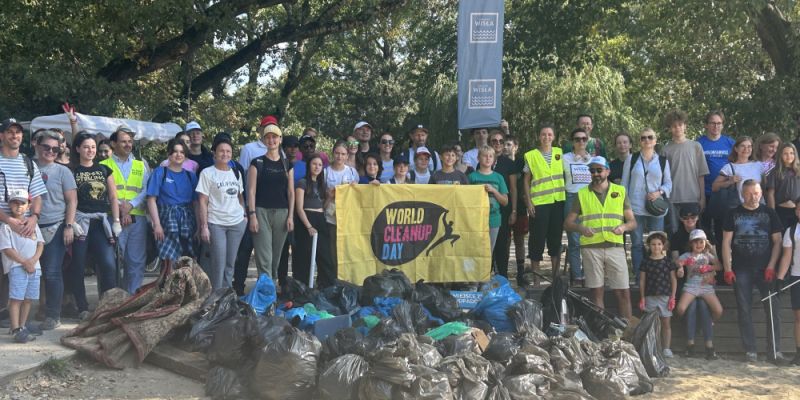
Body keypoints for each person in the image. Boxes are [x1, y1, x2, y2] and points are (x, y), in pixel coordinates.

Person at [564, 156, 636, 320]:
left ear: (607, 171)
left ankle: (628, 334)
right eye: (592, 171)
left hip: (615, 247)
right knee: (596, 294)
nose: (595, 173)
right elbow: (568, 223)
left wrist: (623, 227)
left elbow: (633, 222)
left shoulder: (620, 191)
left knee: (623, 292)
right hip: (591, 248)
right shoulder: (582, 194)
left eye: (599, 170)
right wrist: (580, 228)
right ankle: (602, 333)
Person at [721, 180, 785, 363]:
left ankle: (774, 351)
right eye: (748, 193)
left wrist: (772, 265)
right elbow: (726, 243)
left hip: (766, 268)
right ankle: (750, 350)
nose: (752, 197)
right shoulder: (733, 214)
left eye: (756, 193)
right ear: (742, 194)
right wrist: (727, 269)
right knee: (744, 309)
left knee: (773, 309)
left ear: (761, 194)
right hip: (741, 269)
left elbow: (778, 242)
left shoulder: (769, 213)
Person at [0, 118, 48, 328]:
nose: (14, 136)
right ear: (1, 136)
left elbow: (37, 195)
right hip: (5, 223)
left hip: (25, 225)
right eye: (9, 132)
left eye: (18, 132)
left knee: (21, 270)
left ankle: (17, 322)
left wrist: (33, 218)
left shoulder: (28, 163)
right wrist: (8, 220)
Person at [70, 133, 121, 320]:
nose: (90, 150)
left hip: (101, 223)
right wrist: (72, 222)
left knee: (108, 264)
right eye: (85, 147)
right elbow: (70, 199)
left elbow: (114, 197)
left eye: (93, 147)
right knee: (78, 265)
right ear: (78, 149)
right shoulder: (72, 171)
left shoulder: (104, 169)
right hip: (80, 223)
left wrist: (116, 221)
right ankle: (82, 307)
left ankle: (107, 307)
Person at [34, 130, 77, 330]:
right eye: (46, 147)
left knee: (52, 273)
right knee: (29, 272)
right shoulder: (28, 166)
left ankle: (53, 315)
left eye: (55, 149)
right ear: (36, 145)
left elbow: (72, 201)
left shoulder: (63, 171)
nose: (50, 151)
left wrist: (68, 226)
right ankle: (21, 314)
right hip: (29, 228)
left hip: (56, 226)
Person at [100, 125, 151, 294]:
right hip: (112, 219)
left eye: (130, 141)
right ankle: (112, 299)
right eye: (123, 141)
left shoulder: (141, 165)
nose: (128, 144)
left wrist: (130, 206)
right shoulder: (103, 165)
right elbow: (99, 193)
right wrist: (121, 210)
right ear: (113, 144)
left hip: (137, 218)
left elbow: (146, 189)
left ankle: (132, 298)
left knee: (136, 261)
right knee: (112, 262)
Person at [622, 127, 672, 283]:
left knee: (657, 244)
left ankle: (656, 275)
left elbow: (669, 183)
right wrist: (624, 207)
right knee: (637, 244)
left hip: (656, 209)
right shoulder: (632, 159)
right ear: (639, 141)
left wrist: (659, 192)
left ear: (655, 141)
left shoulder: (663, 161)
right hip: (635, 208)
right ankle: (639, 277)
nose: (647, 140)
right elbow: (624, 183)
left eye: (650, 137)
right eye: (643, 138)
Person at [196, 136, 246, 290]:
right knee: (218, 263)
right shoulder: (207, 173)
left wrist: (243, 216)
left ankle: (226, 296)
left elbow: (240, 196)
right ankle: (216, 297)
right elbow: (202, 201)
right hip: (216, 223)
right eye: (221, 151)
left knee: (231, 263)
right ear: (214, 153)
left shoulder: (236, 172)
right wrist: (204, 227)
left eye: (228, 151)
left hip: (236, 223)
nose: (225, 154)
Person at [246, 123, 293, 281]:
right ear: (264, 140)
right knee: (264, 257)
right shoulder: (257, 163)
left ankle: (269, 290)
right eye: (268, 137)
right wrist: (252, 215)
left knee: (276, 257)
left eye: (274, 137)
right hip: (261, 212)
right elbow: (251, 191)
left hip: (282, 213)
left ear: (280, 139)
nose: (271, 140)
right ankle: (266, 295)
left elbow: (291, 192)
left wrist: (291, 216)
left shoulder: (287, 164)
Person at [669, 203, 716, 358]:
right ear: (681, 219)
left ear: (697, 218)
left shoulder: (707, 233)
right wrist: (681, 268)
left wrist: (712, 273)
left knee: (703, 306)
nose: (689, 220)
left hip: (705, 280)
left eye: (693, 217)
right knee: (690, 308)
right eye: (685, 217)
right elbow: (676, 261)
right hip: (685, 280)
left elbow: (715, 260)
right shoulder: (676, 236)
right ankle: (691, 337)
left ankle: (703, 337)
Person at [522, 124, 566, 286]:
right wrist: (528, 202)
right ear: (539, 137)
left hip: (557, 202)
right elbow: (526, 181)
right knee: (536, 241)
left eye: (549, 134)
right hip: (539, 204)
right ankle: (536, 280)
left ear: (554, 137)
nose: (546, 137)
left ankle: (555, 279)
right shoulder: (531, 156)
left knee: (555, 241)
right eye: (543, 134)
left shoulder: (560, 154)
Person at [146, 139, 198, 272]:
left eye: (182, 152)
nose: (178, 154)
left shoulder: (190, 176)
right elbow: (151, 199)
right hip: (166, 220)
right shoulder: (160, 173)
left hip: (187, 220)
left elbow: (196, 203)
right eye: (175, 151)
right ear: (169, 154)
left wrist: (199, 225)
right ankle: (168, 291)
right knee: (169, 262)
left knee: (187, 261)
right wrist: (157, 225)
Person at [0, 189, 44, 343]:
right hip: (17, 267)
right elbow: (7, 249)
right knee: (16, 299)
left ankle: (23, 326)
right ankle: (15, 328)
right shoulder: (6, 227)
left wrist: (33, 261)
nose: (19, 206)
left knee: (28, 299)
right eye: (15, 202)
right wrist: (25, 262)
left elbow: (40, 244)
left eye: (22, 203)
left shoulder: (32, 224)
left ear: (29, 206)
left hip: (34, 267)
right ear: (10, 205)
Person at [674, 229, 722, 360]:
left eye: (701, 242)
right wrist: (680, 267)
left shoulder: (707, 255)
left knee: (718, 310)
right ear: (691, 244)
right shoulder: (687, 255)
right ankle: (686, 323)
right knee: (681, 308)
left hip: (705, 286)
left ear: (705, 243)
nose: (698, 245)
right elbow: (678, 261)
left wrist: (710, 268)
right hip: (691, 286)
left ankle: (709, 323)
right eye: (695, 243)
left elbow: (719, 266)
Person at [661, 109, 708, 233]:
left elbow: (701, 174)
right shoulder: (665, 150)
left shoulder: (696, 146)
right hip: (673, 198)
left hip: (693, 197)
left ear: (685, 126)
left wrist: (702, 198)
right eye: (674, 126)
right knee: (674, 231)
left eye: (680, 125)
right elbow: (662, 177)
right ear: (670, 128)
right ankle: (675, 253)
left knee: (694, 233)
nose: (677, 128)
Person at [294, 154, 335, 287]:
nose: (317, 167)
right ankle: (303, 287)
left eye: (319, 165)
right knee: (304, 255)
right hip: (306, 219)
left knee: (325, 255)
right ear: (309, 165)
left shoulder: (322, 184)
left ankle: (326, 286)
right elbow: (299, 208)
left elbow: (322, 206)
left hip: (321, 219)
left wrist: (329, 198)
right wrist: (309, 226)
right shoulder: (302, 183)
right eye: (314, 164)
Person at [697, 110, 735, 246]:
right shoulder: (698, 143)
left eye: (719, 123)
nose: (716, 126)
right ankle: (706, 263)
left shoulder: (730, 143)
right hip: (704, 192)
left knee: (721, 230)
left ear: (723, 125)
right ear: (706, 125)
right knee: (704, 230)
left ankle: (722, 263)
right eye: (712, 123)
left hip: (723, 193)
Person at [637, 231, 677, 358]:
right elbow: (642, 280)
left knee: (666, 323)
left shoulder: (668, 262)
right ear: (649, 246)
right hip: (650, 296)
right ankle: (651, 347)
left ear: (663, 246)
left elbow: (673, 280)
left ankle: (666, 348)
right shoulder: (645, 262)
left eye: (659, 244)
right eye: (653, 244)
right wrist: (642, 297)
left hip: (665, 296)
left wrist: (673, 296)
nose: (656, 247)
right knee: (650, 324)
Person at [561, 128, 593, 285]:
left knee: (589, 238)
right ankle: (577, 276)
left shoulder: (593, 159)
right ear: (572, 142)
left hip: (589, 200)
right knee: (574, 241)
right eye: (577, 139)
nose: (581, 142)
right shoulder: (564, 158)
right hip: (572, 199)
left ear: (587, 141)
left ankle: (589, 275)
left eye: (583, 139)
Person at [324, 140, 359, 274]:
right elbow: (322, 197)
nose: (340, 157)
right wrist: (330, 195)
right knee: (333, 249)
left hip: (348, 218)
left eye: (343, 154)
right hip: (331, 217)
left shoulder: (352, 172)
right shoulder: (326, 172)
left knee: (347, 249)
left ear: (347, 156)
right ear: (333, 154)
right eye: (337, 153)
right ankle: (334, 277)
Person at [489, 130, 518, 279]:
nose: (498, 144)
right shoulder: (484, 160)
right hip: (485, 211)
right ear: (490, 143)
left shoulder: (509, 163)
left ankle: (502, 279)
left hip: (504, 209)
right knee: (486, 247)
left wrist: (514, 211)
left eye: (501, 141)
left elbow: (513, 188)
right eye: (494, 141)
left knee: (501, 246)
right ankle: (485, 279)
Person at [469, 146, 508, 252]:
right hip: (475, 219)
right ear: (478, 158)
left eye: (491, 156)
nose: (488, 158)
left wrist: (493, 191)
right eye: (484, 156)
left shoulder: (499, 177)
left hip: (494, 219)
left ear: (494, 159)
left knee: (489, 250)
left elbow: (505, 202)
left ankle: (488, 269)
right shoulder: (472, 177)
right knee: (475, 250)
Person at [776, 203, 800, 365]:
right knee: (799, 318)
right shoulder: (791, 231)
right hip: (796, 277)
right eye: (799, 208)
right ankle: (799, 354)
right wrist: (780, 278)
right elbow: (786, 257)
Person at [711, 136, 762, 205]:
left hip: (759, 206)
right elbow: (714, 187)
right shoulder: (729, 167)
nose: (746, 149)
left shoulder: (758, 165)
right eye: (742, 146)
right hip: (740, 208)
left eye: (749, 146)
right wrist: (729, 182)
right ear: (736, 149)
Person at [506, 136, 529, 284]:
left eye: (509, 144)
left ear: (516, 147)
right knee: (506, 241)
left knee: (520, 240)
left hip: (520, 207)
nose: (507, 147)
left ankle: (521, 273)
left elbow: (529, 182)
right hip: (504, 206)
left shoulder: (522, 163)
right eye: (505, 144)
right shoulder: (499, 162)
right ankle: (503, 272)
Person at [765, 142, 800, 229]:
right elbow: (770, 194)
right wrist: (773, 212)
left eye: (791, 153)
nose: (789, 156)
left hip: (797, 210)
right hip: (781, 210)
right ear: (780, 155)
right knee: (782, 236)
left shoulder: (798, 171)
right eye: (785, 153)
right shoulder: (775, 172)